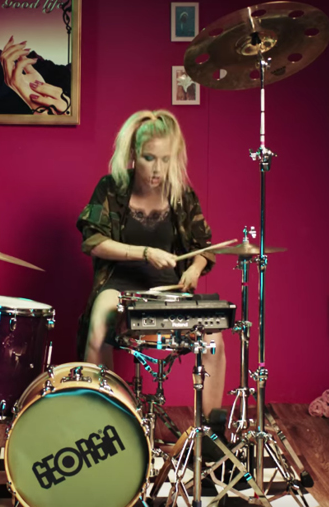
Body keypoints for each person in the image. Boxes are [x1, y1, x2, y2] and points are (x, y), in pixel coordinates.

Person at [76, 109, 227, 415]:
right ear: (133, 153)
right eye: (149, 158)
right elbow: (94, 242)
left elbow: (204, 247)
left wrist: (195, 269)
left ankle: (210, 430)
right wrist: (145, 252)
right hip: (119, 286)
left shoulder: (181, 195)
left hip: (168, 290)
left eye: (165, 159)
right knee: (99, 319)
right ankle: (104, 419)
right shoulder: (111, 188)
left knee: (214, 338)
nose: (158, 169)